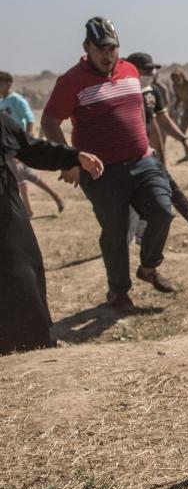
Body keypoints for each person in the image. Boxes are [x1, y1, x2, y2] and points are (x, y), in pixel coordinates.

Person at [41, 17, 177, 309]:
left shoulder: (130, 71)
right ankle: (118, 292)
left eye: (112, 48)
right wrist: (68, 161)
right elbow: (50, 121)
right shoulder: (72, 81)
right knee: (115, 231)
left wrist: (148, 144)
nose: (107, 54)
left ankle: (149, 267)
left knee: (163, 211)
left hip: (142, 162)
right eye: (101, 48)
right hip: (101, 171)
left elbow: (138, 113)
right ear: (86, 47)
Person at [1, 111, 104, 354]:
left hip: (4, 210)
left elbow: (30, 148)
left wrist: (73, 157)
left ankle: (33, 340)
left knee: (23, 269)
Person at [127, 52, 188, 242]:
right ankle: (129, 238)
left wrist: (183, 139)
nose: (151, 72)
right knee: (130, 203)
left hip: (148, 155)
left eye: (153, 69)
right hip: (128, 157)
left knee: (170, 188)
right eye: (146, 69)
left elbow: (159, 122)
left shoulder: (151, 92)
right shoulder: (122, 93)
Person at [1, 71, 65, 215]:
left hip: (17, 146)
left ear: (8, 84)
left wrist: (26, 142)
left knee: (19, 177)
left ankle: (28, 212)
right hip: (8, 146)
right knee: (27, 175)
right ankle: (56, 197)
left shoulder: (16, 100)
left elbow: (30, 119)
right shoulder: (1, 102)